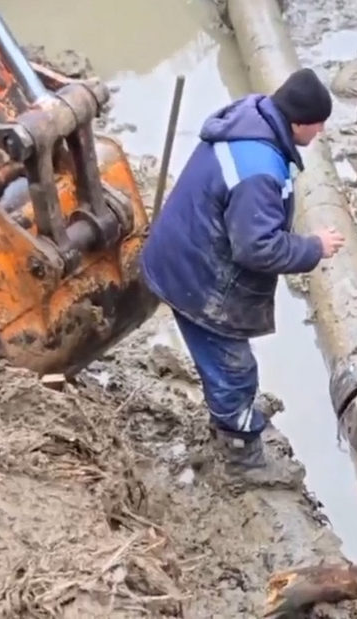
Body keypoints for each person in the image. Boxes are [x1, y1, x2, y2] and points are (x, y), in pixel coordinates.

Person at [140, 68, 344, 481]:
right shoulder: (259, 170)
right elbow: (256, 247)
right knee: (234, 369)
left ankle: (229, 418)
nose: (322, 131)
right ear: (298, 123)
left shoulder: (252, 120)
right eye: (318, 124)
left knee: (227, 365)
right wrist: (313, 247)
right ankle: (241, 458)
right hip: (197, 278)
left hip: (185, 253)